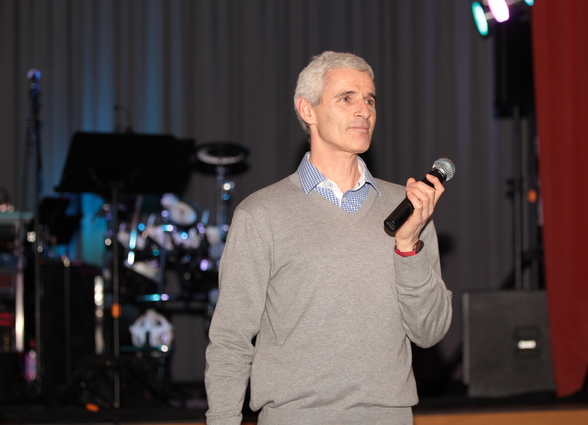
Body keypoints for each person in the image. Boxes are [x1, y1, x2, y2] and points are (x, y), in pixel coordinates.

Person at [204, 51, 452, 425]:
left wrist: (407, 247)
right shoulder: (261, 214)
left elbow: (429, 332)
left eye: (370, 100)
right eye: (346, 98)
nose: (364, 110)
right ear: (307, 109)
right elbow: (230, 339)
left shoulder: (409, 210)